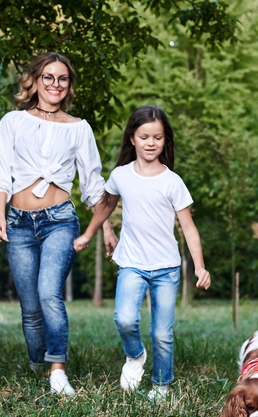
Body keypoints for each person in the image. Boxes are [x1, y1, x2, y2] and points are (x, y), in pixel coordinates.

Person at [0, 52, 116, 396]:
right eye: (48, 77)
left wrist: (105, 226)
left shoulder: (79, 128)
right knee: (30, 307)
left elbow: (93, 186)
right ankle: (37, 364)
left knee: (49, 294)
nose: (55, 84)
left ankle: (57, 368)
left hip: (60, 220)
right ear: (34, 81)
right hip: (17, 222)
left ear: (69, 85)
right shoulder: (12, 122)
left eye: (62, 78)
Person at [74, 105, 211, 400]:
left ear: (165, 141)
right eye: (144, 136)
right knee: (124, 318)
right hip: (132, 263)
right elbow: (106, 207)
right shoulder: (121, 176)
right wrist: (87, 234)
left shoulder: (172, 181)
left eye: (158, 137)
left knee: (162, 334)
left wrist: (199, 266)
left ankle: (161, 385)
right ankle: (135, 355)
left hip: (166, 268)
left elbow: (188, 227)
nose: (151, 143)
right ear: (132, 139)